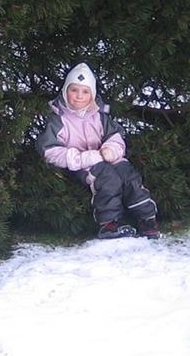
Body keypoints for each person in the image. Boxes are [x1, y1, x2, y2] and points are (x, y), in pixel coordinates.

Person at [36, 62, 160, 239]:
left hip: (105, 157)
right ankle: (109, 223)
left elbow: (115, 136)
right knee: (107, 177)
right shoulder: (58, 120)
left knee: (128, 175)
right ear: (65, 91)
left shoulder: (99, 116)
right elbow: (49, 150)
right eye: (74, 90)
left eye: (85, 92)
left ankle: (146, 218)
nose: (79, 96)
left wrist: (112, 149)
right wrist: (81, 158)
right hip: (81, 164)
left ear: (92, 95)